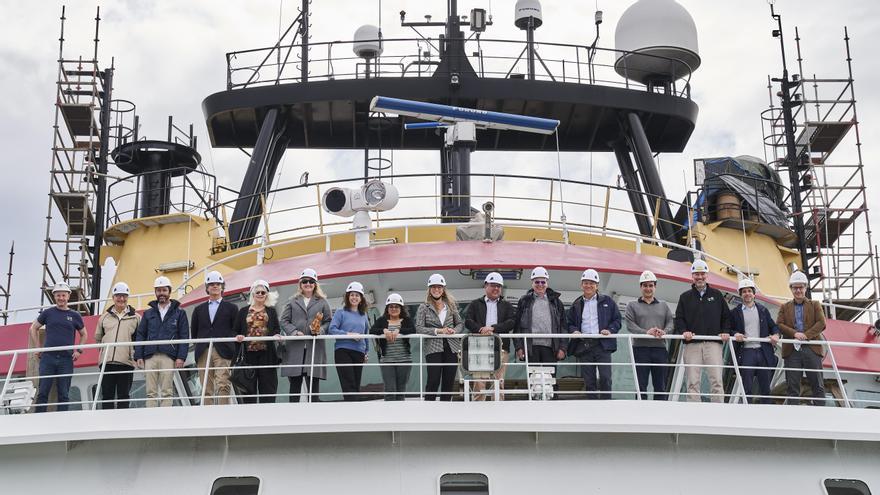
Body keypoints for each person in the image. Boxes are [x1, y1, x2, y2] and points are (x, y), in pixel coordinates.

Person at [673, 260, 732, 403]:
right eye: (696, 274)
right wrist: (684, 331)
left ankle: (718, 412)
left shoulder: (717, 295)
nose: (699, 277)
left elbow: (726, 317)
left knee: (717, 380)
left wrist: (725, 331)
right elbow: (679, 318)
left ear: (707, 275)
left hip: (713, 344)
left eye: (702, 274)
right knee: (692, 381)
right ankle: (694, 413)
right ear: (692, 276)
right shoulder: (685, 297)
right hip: (692, 344)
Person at [30, 282, 86, 413]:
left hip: (66, 359)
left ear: (68, 296)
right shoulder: (48, 313)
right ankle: (39, 419)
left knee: (64, 394)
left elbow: (84, 334)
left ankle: (62, 421)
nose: (61, 298)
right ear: (54, 296)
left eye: (63, 295)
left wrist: (79, 350)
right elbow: (34, 328)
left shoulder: (75, 315)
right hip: (48, 358)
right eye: (58, 295)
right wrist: (38, 347)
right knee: (43, 391)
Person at [135, 276, 189, 407]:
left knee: (167, 391)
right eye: (158, 290)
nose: (161, 293)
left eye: (164, 290)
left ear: (169, 292)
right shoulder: (148, 313)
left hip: (168, 356)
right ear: (155, 293)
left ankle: (165, 419)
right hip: (150, 356)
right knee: (150, 392)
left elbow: (184, 336)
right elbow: (141, 334)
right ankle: (152, 419)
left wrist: (181, 357)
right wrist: (138, 355)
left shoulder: (179, 313)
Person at [279, 268, 332, 402]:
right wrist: (294, 332)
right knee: (295, 384)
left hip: (314, 347)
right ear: (300, 284)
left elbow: (328, 321)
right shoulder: (292, 301)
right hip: (296, 347)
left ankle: (313, 414)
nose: (308, 284)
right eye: (305, 281)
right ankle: (294, 413)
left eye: (311, 281)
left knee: (313, 382)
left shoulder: (322, 302)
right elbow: (283, 320)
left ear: (315, 284)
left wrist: (320, 331)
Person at [567, 269, 621, 400]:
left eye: (592, 283)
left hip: (602, 344)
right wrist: (574, 330)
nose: (588, 285)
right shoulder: (576, 304)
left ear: (597, 285)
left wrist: (610, 330)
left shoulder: (608, 301)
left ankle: (606, 405)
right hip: (585, 345)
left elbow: (617, 320)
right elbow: (568, 322)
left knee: (605, 378)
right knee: (589, 380)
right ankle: (591, 407)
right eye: (586, 283)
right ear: (581, 285)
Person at [777, 271, 826, 406]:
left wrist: (806, 335)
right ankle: (794, 418)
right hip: (791, 350)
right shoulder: (784, 307)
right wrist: (794, 334)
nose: (798, 290)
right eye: (795, 287)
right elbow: (779, 324)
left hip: (811, 348)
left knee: (817, 385)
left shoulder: (815, 305)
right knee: (792, 386)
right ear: (791, 289)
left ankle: (822, 415)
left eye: (800, 287)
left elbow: (822, 323)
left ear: (805, 288)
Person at [464, 272, 515, 401]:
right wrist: (481, 330)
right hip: (480, 346)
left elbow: (511, 322)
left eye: (499, 286)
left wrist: (493, 328)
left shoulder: (507, 305)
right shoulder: (475, 304)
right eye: (493, 285)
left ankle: (498, 411)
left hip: (501, 347)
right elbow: (468, 321)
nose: (496, 288)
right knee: (479, 382)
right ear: (486, 286)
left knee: (499, 381)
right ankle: (478, 411)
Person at [190, 270, 239, 405]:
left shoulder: (232, 308)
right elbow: (194, 332)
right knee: (206, 384)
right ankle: (208, 414)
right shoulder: (198, 310)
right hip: (203, 350)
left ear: (222, 286)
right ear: (207, 287)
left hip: (223, 350)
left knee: (223, 383)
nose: (215, 286)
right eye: (212, 284)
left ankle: (222, 413)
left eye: (218, 284)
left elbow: (235, 329)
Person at [514, 267, 566, 390]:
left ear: (547, 283)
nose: (540, 285)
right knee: (533, 380)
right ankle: (532, 403)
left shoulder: (556, 302)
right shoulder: (524, 301)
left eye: (543, 282)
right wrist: (519, 347)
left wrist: (563, 347)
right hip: (531, 347)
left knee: (550, 380)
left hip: (551, 346)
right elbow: (517, 326)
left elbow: (563, 326)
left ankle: (552, 403)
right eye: (537, 282)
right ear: (532, 283)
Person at [625, 271, 674, 400]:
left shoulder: (663, 305)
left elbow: (670, 322)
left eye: (650, 285)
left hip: (660, 350)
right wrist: (646, 333)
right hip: (640, 349)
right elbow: (630, 325)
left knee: (660, 385)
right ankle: (640, 414)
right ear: (640, 287)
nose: (648, 288)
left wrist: (665, 332)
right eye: (645, 285)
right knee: (641, 385)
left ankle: (660, 414)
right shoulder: (632, 305)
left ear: (655, 287)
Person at [415, 274, 464, 401]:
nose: (436, 289)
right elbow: (419, 327)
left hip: (451, 347)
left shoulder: (451, 306)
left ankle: (446, 408)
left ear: (443, 289)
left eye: (439, 287)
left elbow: (460, 324)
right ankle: (429, 406)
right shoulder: (423, 307)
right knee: (433, 379)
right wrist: (438, 331)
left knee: (448, 380)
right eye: (434, 287)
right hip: (433, 348)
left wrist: (454, 330)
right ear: (429, 289)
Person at [731, 278, 780, 404]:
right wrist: (735, 333)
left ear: (754, 294)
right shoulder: (735, 313)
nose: (747, 293)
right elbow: (730, 328)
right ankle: (747, 412)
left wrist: (776, 334)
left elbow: (773, 326)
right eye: (744, 291)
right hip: (747, 351)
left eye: (749, 291)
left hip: (762, 351)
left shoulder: (763, 310)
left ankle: (766, 412)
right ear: (740, 294)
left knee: (765, 386)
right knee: (746, 386)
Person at [234, 279, 281, 404]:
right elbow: (235, 330)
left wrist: (276, 334)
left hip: (267, 354)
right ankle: (250, 418)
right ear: (252, 294)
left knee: (268, 388)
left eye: (263, 292)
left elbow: (276, 328)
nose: (260, 294)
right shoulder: (243, 311)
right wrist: (238, 336)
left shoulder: (271, 311)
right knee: (249, 389)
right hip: (248, 355)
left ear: (267, 295)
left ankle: (268, 417)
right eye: (258, 292)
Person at [94, 282, 140, 409]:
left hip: (126, 362)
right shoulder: (104, 318)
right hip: (107, 362)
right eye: (118, 296)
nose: (121, 299)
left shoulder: (136, 318)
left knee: (124, 395)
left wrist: (133, 355)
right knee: (107, 395)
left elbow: (139, 340)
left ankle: (122, 425)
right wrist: (105, 353)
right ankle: (107, 424)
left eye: (124, 296)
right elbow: (99, 337)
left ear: (128, 297)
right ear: (113, 297)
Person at [329, 281, 370, 401]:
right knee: (348, 381)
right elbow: (332, 329)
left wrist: (366, 352)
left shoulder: (363, 315)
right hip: (343, 351)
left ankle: (355, 412)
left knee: (356, 383)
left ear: (361, 298)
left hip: (359, 352)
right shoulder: (340, 312)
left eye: (357, 295)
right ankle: (351, 410)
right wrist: (348, 334)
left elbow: (366, 334)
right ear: (347, 296)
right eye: (352, 294)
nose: (354, 297)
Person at [370, 293, 415, 401]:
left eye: (396, 306)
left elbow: (412, 330)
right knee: (390, 391)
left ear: (401, 308)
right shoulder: (381, 320)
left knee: (401, 391)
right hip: (387, 361)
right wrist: (384, 330)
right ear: (387, 308)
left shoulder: (407, 320)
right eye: (391, 306)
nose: (393, 308)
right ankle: (389, 416)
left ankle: (399, 417)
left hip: (404, 360)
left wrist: (399, 330)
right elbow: (372, 330)